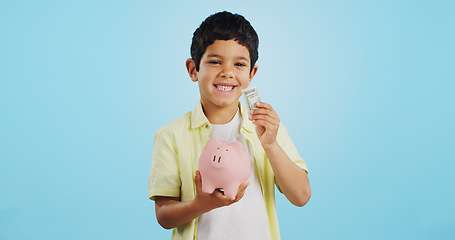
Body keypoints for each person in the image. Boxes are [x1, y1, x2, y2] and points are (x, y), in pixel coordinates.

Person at [148, 11, 311, 240]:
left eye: (239, 64)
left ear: (252, 73)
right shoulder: (171, 135)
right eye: (215, 62)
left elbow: (301, 196)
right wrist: (201, 204)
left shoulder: (267, 129)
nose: (227, 73)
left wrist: (272, 146)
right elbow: (164, 215)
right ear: (193, 69)